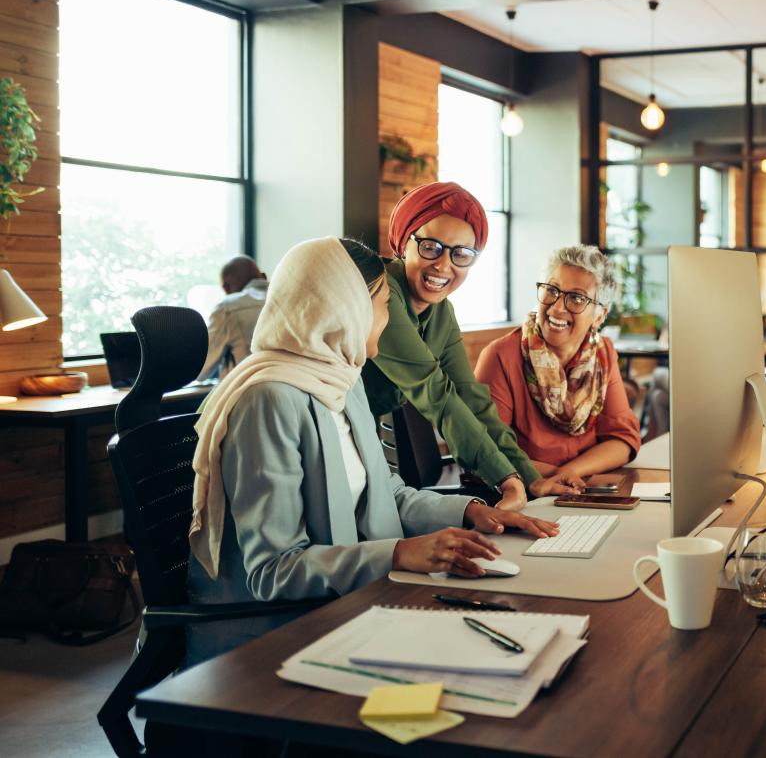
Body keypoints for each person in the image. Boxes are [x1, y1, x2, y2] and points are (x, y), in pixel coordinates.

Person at [184, 237, 556, 666]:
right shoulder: (269, 400)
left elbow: (387, 492)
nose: (389, 317)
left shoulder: (343, 378)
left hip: (358, 604)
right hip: (282, 639)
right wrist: (399, 553)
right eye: (382, 304)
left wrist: (471, 512)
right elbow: (274, 570)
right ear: (345, 308)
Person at [362, 182, 576, 512]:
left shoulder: (441, 312)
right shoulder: (382, 296)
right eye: (431, 247)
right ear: (404, 242)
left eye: (461, 254)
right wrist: (505, 478)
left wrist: (530, 478)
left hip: (367, 449)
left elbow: (472, 400)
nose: (443, 265)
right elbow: (437, 394)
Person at [475, 245, 640, 488]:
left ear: (599, 316)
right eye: (552, 290)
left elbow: (623, 439)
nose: (557, 307)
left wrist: (569, 473)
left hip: (580, 488)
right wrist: (561, 479)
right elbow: (487, 452)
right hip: (522, 492)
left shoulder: (602, 354)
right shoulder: (500, 356)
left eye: (576, 298)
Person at [195, 255, 268, 382]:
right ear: (263, 276)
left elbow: (200, 369)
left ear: (226, 287)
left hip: (248, 393)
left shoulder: (228, 307)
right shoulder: (290, 301)